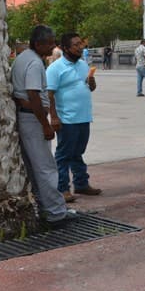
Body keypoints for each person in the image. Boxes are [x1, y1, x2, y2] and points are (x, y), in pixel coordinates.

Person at [11, 25, 76, 226]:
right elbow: (32, 93)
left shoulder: (24, 57)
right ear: (38, 44)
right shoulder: (34, 63)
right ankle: (56, 213)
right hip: (32, 119)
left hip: (28, 117)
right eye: (49, 43)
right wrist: (45, 125)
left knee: (35, 167)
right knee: (46, 168)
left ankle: (45, 208)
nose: (53, 46)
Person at [47, 32, 102, 203]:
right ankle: (62, 188)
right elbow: (49, 94)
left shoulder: (83, 65)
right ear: (65, 48)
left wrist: (92, 84)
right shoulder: (55, 68)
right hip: (67, 119)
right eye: (76, 45)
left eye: (81, 44)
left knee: (78, 152)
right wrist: (54, 118)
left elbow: (88, 86)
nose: (80, 47)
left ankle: (81, 183)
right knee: (64, 154)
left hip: (83, 117)